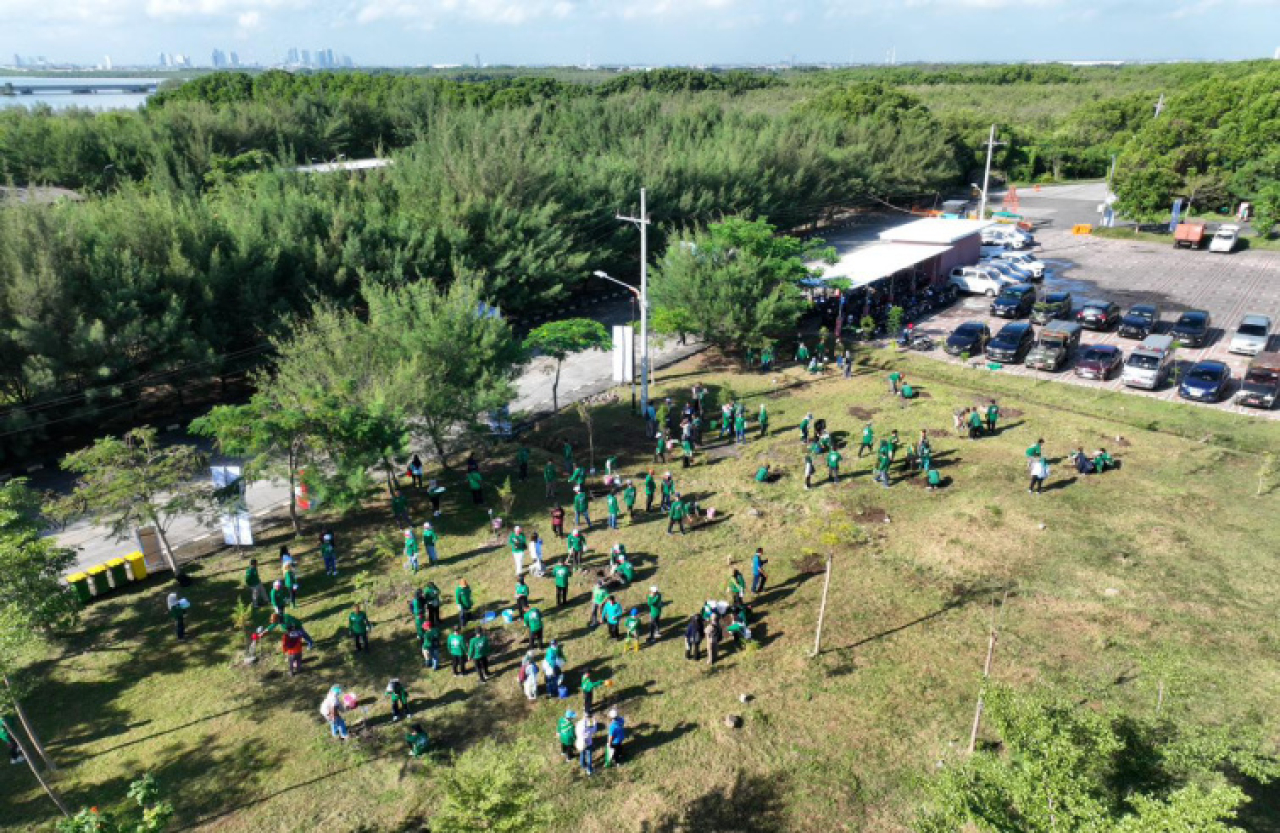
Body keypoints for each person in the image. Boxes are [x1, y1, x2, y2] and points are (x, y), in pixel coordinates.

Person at [576, 711, 597, 776]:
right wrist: (595, 722)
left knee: (582, 754)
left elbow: (576, 730)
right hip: (588, 745)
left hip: (580, 744)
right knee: (589, 756)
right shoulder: (587, 731)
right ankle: (589, 770)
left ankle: (582, 765)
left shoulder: (578, 724)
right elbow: (594, 729)